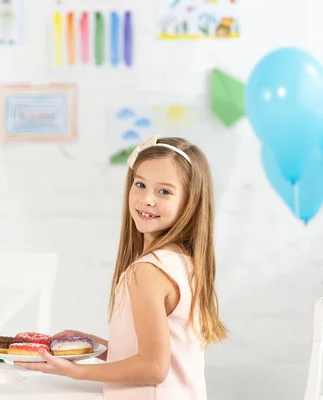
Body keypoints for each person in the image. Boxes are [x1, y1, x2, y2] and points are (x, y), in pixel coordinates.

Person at [15, 135, 228, 399]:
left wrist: (75, 372)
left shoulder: (148, 271)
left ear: (190, 202)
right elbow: (159, 357)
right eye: (140, 184)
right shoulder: (185, 263)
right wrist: (94, 346)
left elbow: (153, 368)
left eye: (164, 191)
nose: (147, 199)